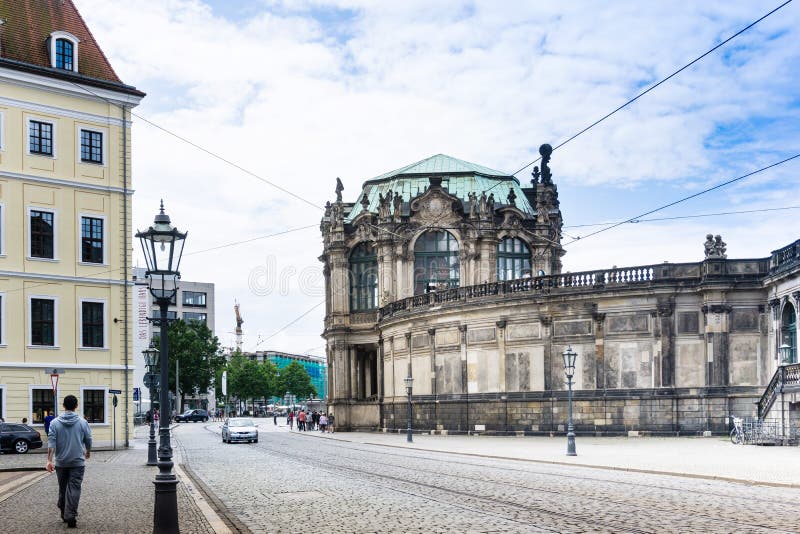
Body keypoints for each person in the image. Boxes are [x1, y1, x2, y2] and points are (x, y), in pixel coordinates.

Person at [47, 394, 92, 529]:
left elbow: (51, 443)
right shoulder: (82, 422)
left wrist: (49, 460)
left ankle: (63, 509)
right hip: (77, 462)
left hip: (61, 462)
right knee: (74, 488)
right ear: (76, 406)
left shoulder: (54, 423)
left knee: (63, 487)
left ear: (63, 406)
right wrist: (88, 451)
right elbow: (88, 439)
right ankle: (70, 514)